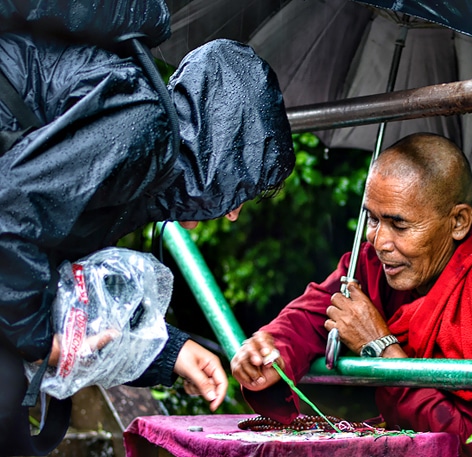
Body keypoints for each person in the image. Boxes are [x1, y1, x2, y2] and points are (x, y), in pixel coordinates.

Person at [0, 4, 296, 453]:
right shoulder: (146, 124)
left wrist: (168, 352)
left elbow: (71, 290)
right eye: (242, 186)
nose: (232, 213)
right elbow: (12, 209)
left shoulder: (143, 169)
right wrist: (41, 339)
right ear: (223, 148)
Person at [231, 132, 472, 456]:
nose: (379, 241)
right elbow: (317, 311)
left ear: (458, 222)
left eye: (399, 224)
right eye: (372, 218)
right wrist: (270, 346)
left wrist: (382, 349)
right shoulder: (377, 261)